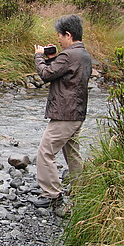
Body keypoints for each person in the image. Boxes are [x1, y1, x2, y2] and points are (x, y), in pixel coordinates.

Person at [33, 14, 92, 208]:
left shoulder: (69, 55)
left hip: (65, 114)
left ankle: (52, 194)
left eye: (60, 35)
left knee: (45, 152)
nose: (58, 39)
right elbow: (63, 74)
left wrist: (39, 57)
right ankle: (81, 190)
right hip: (77, 113)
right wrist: (52, 59)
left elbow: (46, 75)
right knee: (72, 152)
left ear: (68, 34)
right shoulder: (83, 55)